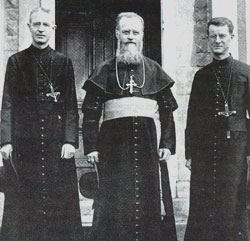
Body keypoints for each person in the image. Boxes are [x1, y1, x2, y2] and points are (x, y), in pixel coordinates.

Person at [82, 12, 178, 241]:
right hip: (113, 151)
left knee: (147, 200)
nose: (131, 37)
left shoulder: (154, 70)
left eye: (135, 32)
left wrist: (166, 144)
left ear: (142, 36)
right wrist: (91, 147)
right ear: (117, 34)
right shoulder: (103, 70)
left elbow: (167, 113)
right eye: (126, 32)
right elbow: (90, 115)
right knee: (114, 203)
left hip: (147, 149)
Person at [0, 7, 82, 241]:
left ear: (53, 28)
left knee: (59, 201)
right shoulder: (16, 62)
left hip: (57, 144)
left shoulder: (63, 62)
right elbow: (7, 103)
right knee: (24, 200)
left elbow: (70, 106)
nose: (41, 29)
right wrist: (5, 140)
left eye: (46, 25)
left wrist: (70, 140)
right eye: (36, 24)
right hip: (25, 143)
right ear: (29, 27)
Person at [184, 17, 250, 241]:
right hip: (205, 151)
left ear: (231, 37)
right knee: (204, 202)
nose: (218, 41)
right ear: (208, 39)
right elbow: (192, 117)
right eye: (213, 36)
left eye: (222, 36)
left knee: (232, 202)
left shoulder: (245, 72)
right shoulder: (201, 76)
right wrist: (189, 152)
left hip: (236, 151)